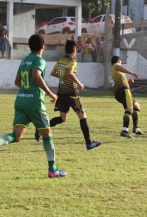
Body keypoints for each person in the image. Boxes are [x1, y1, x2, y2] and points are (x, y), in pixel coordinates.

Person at [0, 34, 67, 178]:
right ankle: (52, 169)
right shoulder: (39, 60)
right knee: (47, 134)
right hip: (34, 102)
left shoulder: (24, 61)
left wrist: (26, 90)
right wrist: (50, 93)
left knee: (16, 136)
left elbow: (17, 81)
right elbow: (36, 76)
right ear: (43, 46)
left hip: (21, 100)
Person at [35, 40, 102, 150]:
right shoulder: (73, 61)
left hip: (61, 92)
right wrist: (79, 83)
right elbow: (70, 73)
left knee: (62, 118)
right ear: (74, 50)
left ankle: (40, 128)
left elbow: (53, 73)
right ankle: (89, 142)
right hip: (72, 92)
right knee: (82, 115)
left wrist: (63, 77)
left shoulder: (61, 60)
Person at [109, 56, 142, 138]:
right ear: (118, 61)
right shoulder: (115, 66)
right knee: (129, 109)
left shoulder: (113, 72)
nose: (121, 65)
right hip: (123, 91)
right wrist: (132, 73)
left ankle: (135, 128)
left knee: (136, 106)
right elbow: (118, 66)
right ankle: (124, 130)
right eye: (120, 62)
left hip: (119, 92)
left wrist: (128, 82)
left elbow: (120, 84)